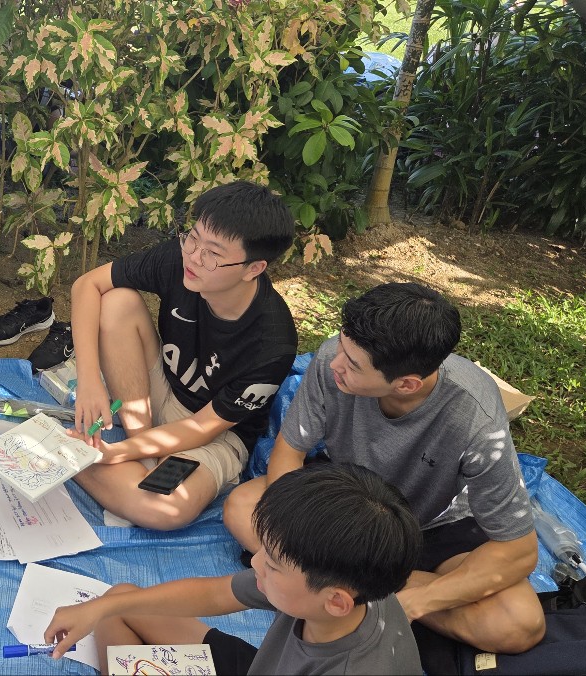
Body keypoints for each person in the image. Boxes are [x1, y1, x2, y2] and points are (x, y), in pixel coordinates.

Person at [223, 282, 546, 654]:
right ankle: (352, 588)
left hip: (431, 526)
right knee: (241, 507)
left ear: (406, 384)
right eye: (340, 345)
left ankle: (349, 589)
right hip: (347, 504)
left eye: (353, 365)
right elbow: (288, 453)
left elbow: (520, 550)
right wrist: (304, 529)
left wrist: (416, 602)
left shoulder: (475, 418)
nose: (334, 364)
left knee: (516, 623)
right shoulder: (333, 360)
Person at [44, 462, 424, 674]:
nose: (255, 563)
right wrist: (97, 608)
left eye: (272, 565)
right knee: (118, 604)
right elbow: (214, 594)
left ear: (336, 602)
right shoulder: (350, 581)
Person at [68, 181, 297, 529]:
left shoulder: (272, 343)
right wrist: (88, 380)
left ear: (253, 268)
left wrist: (116, 453)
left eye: (213, 254)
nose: (194, 257)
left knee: (167, 508)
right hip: (162, 392)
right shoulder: (181, 260)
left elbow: (201, 428)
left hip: (214, 436)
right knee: (116, 301)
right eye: (193, 237)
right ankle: (137, 458)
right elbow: (87, 284)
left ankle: (64, 455)